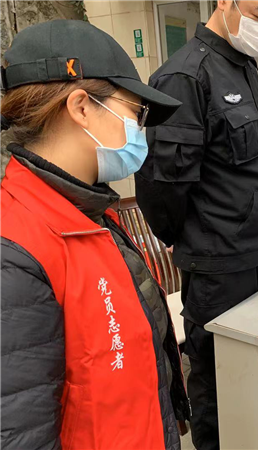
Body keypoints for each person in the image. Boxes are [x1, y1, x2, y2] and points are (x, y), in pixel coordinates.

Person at [0, 20, 189, 450]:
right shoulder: (16, 250)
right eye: (136, 112)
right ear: (81, 107)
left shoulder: (87, 211)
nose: (140, 128)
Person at [134, 1, 258, 448]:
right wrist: (181, 237)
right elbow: (163, 183)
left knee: (251, 372)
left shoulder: (243, 65)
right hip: (218, 264)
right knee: (218, 381)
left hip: (257, 255)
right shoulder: (185, 76)